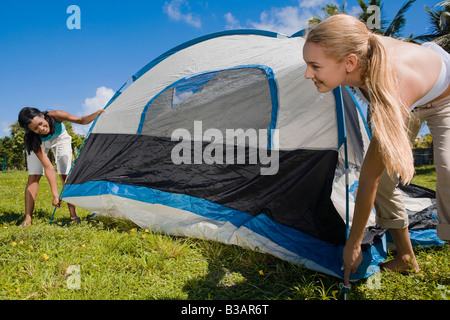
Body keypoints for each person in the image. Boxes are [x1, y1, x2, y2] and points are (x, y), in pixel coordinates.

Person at [302, 14, 450, 285]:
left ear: (349, 63)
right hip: (404, 101)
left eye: (314, 66)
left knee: (448, 167)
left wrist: (354, 244)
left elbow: (368, 176)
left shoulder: (393, 83)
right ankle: (406, 258)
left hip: (444, 98)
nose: (307, 73)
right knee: (384, 181)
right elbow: (376, 179)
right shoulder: (359, 54)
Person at [18, 107, 105, 227]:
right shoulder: (33, 138)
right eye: (35, 128)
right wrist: (55, 195)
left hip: (60, 137)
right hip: (39, 143)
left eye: (40, 124)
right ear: (30, 130)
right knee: (34, 175)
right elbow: (48, 167)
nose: (41, 129)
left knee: (65, 173)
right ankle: (27, 218)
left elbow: (81, 120)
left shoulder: (56, 115)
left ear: (42, 116)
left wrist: (95, 114)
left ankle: (73, 215)